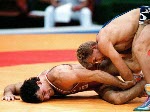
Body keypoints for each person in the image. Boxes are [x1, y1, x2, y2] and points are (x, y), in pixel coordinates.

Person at [77, 6, 150, 111]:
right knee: (135, 62)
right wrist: (137, 80)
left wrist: (131, 85)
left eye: (95, 59)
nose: (99, 61)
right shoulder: (117, 45)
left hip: (145, 15)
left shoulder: (103, 42)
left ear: (94, 48)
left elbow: (125, 72)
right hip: (143, 21)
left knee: (139, 49)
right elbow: (136, 66)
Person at [2, 54, 145, 104]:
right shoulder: (32, 87)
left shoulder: (59, 75)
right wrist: (7, 93)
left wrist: (123, 85)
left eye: (44, 93)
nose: (46, 97)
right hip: (97, 85)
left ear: (39, 82)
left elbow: (97, 75)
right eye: (42, 98)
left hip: (101, 70)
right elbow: (12, 87)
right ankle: (145, 83)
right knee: (117, 99)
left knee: (135, 65)